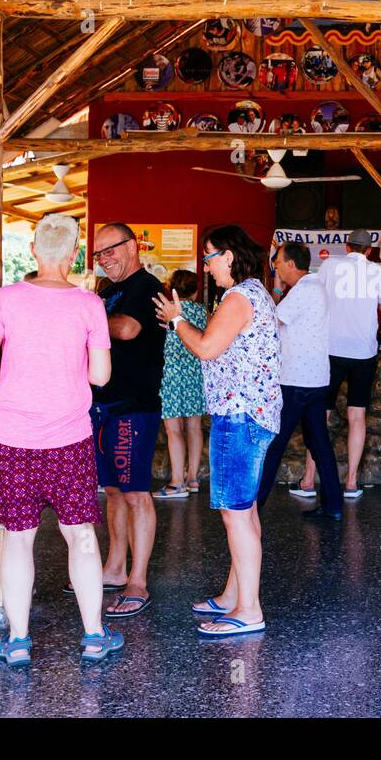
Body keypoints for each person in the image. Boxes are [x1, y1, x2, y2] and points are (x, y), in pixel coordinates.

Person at [0, 214, 123, 665]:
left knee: (18, 538)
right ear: (76, 253)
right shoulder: (89, 305)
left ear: (35, 250)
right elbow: (100, 375)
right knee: (80, 536)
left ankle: (18, 641)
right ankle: (95, 636)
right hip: (68, 440)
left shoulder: (6, 298)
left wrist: (15, 381)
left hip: (10, 439)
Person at [154, 225, 280, 637]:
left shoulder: (240, 296)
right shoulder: (254, 293)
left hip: (240, 415)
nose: (205, 267)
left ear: (228, 256)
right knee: (244, 510)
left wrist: (176, 321)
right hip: (250, 413)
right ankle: (233, 595)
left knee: (236, 514)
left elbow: (207, 347)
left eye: (209, 257)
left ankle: (248, 609)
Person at [91, 223, 166, 620]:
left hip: (134, 406)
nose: (104, 259)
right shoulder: (106, 291)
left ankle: (138, 580)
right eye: (98, 254)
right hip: (102, 403)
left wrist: (79, 315)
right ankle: (115, 568)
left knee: (136, 493)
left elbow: (127, 328)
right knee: (113, 492)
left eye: (110, 250)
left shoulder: (147, 287)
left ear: (132, 246)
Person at [256, 241, 343, 520]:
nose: (276, 268)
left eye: (278, 263)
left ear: (291, 264)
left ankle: (253, 509)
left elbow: (270, 320)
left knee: (274, 444)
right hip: (315, 379)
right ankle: (334, 506)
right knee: (319, 443)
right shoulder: (314, 288)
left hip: (295, 380)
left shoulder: (304, 289)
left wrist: (277, 288)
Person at [304, 228, 381, 497]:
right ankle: (352, 482)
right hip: (363, 351)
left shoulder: (330, 265)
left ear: (346, 245)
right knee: (357, 415)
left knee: (321, 413)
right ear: (369, 250)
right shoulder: (377, 270)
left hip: (330, 349)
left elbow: (314, 296)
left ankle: (308, 480)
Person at [155, 269, 207, 500]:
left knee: (174, 430)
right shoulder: (203, 312)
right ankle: (193, 478)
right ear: (196, 291)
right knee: (194, 428)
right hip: (196, 375)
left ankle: (177, 482)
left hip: (172, 376)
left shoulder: (167, 312)